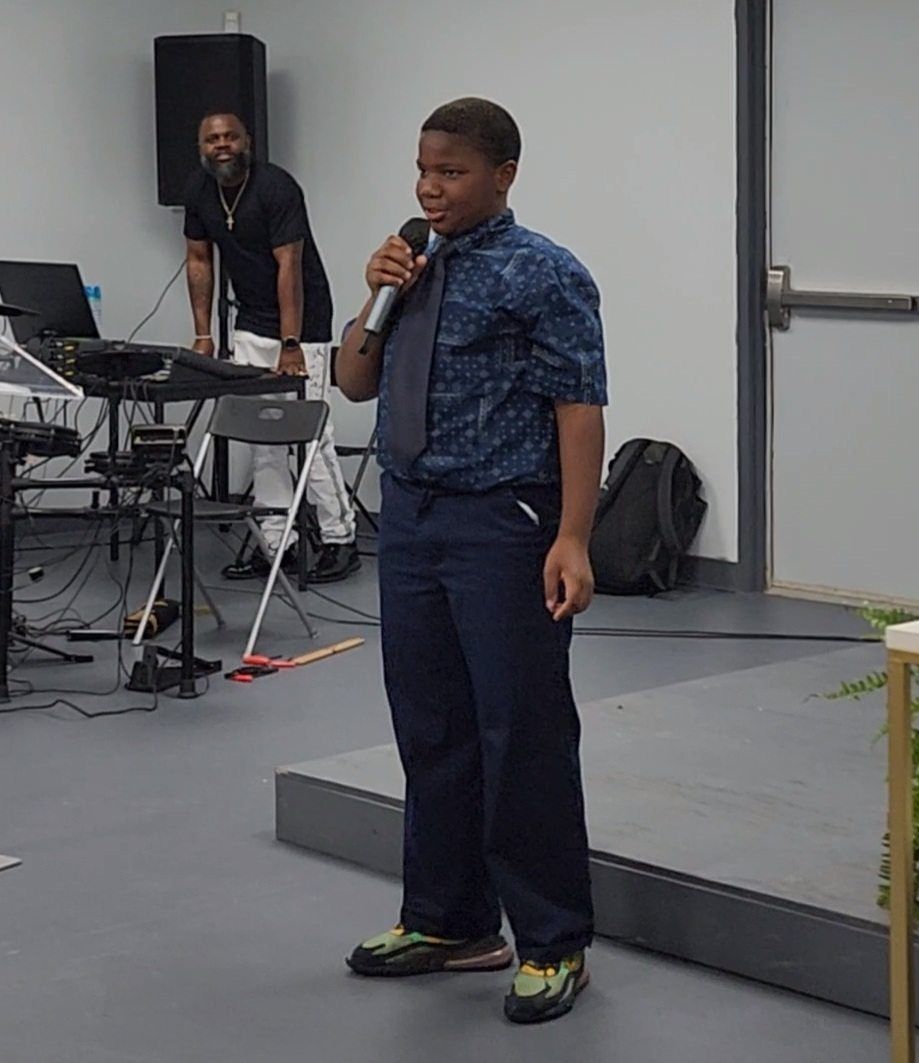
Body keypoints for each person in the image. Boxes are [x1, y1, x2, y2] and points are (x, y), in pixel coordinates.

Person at [335, 97, 606, 1024]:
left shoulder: (547, 273)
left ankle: (554, 937)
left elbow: (579, 406)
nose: (429, 187)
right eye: (422, 169)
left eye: (449, 172)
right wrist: (373, 296)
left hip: (504, 522)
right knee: (432, 723)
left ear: (503, 175)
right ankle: (451, 920)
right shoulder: (410, 263)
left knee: (519, 731)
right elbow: (354, 380)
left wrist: (572, 534)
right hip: (409, 519)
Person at [184, 110, 359, 584]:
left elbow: (290, 267)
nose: (222, 145)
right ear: (202, 147)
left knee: (311, 433)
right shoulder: (200, 191)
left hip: (302, 324)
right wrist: (204, 333)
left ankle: (341, 539)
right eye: (212, 139)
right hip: (250, 322)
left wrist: (291, 342)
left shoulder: (277, 187)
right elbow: (199, 260)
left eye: (230, 137)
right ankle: (276, 541)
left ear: (248, 142)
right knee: (263, 438)